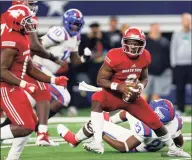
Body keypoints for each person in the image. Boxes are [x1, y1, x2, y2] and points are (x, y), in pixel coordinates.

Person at [57, 27, 189, 157]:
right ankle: (97, 142)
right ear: (124, 42)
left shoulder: (145, 57)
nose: (132, 47)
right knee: (97, 98)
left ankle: (173, 149)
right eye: (130, 43)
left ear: (142, 45)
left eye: (136, 44)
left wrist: (140, 88)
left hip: (131, 97)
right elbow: (100, 80)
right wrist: (120, 87)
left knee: (155, 121)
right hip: (113, 93)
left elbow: (144, 78)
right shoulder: (114, 55)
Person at [0, 5, 68, 160]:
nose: (31, 23)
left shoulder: (22, 36)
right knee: (24, 126)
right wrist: (24, 84)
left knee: (30, 123)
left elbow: (29, 68)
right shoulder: (10, 42)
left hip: (14, 86)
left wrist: (53, 79)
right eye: (26, 21)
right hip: (5, 86)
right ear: (16, 23)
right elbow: (2, 71)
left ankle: (12, 157)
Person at [57, 99, 190, 157]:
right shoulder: (175, 122)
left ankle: (74, 140)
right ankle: (109, 120)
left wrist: (101, 133)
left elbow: (124, 147)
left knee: (95, 122)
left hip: (136, 146)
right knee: (131, 110)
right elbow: (179, 142)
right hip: (147, 141)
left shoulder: (146, 128)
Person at [32, 8, 92, 118]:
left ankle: (33, 124)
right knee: (64, 97)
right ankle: (39, 124)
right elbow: (36, 46)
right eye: (73, 24)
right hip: (38, 67)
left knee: (31, 102)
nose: (75, 27)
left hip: (48, 73)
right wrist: (26, 65)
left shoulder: (76, 37)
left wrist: (84, 58)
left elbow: (74, 60)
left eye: (77, 24)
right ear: (65, 22)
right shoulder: (59, 32)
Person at [143, 23, 171, 101]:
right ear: (150, 29)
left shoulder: (165, 42)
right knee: (144, 95)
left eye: (157, 28)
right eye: (154, 28)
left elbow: (169, 56)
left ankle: (153, 112)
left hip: (160, 73)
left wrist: (167, 68)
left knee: (156, 96)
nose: (156, 30)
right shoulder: (145, 42)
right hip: (147, 73)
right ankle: (141, 112)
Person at [170, 13, 192, 115]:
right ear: (182, 22)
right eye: (185, 20)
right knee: (180, 88)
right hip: (179, 65)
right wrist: (174, 64)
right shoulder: (176, 34)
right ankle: (180, 109)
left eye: (188, 20)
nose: (187, 22)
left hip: (191, 64)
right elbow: (173, 49)